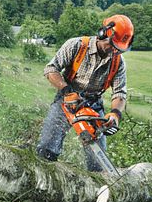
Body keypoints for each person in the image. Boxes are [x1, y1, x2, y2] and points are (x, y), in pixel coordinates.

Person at [35, 14, 134, 171]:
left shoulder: (118, 62)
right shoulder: (77, 45)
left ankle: (96, 188)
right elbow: (50, 69)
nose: (114, 51)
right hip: (66, 99)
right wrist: (67, 91)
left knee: (98, 162)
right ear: (103, 33)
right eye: (113, 45)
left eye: (118, 48)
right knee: (47, 148)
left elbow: (119, 93)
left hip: (93, 104)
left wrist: (115, 114)